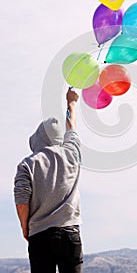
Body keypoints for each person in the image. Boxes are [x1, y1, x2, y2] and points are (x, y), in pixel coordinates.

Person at [14, 88, 83, 273]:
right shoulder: (72, 154)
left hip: (40, 236)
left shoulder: (26, 165)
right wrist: (72, 103)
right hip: (70, 233)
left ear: (37, 140)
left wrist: (25, 227)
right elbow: (71, 128)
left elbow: (21, 201)